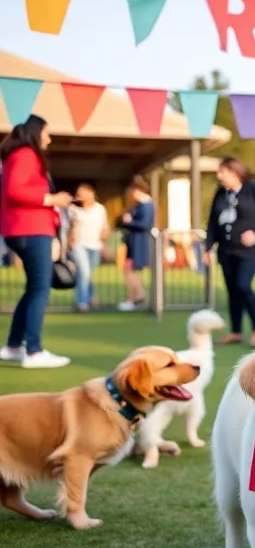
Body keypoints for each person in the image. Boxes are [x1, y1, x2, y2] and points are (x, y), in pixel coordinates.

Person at [0, 115, 73, 368]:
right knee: (40, 288)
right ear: (36, 133)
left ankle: (13, 346)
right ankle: (33, 351)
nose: (49, 139)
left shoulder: (17, 155)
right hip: (30, 230)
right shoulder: (26, 154)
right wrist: (51, 200)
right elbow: (14, 190)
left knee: (34, 288)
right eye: (47, 133)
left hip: (22, 229)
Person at [206, 156, 255, 346]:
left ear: (234, 173)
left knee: (243, 286)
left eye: (222, 172)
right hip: (226, 250)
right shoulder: (221, 193)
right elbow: (213, 222)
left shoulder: (253, 189)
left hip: (249, 251)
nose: (219, 175)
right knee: (232, 290)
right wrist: (208, 247)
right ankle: (236, 331)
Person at [69, 183, 109, 312]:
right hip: (79, 245)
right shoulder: (74, 209)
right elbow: (70, 227)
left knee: (87, 274)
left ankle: (90, 296)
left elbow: (104, 227)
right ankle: (82, 302)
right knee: (84, 271)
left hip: (95, 245)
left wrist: (104, 245)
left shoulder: (100, 209)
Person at [117, 176, 154, 311]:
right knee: (129, 269)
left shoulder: (146, 205)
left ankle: (137, 296)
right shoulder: (140, 205)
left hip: (140, 242)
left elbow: (144, 224)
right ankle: (135, 296)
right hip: (134, 242)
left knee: (130, 270)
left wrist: (129, 222)